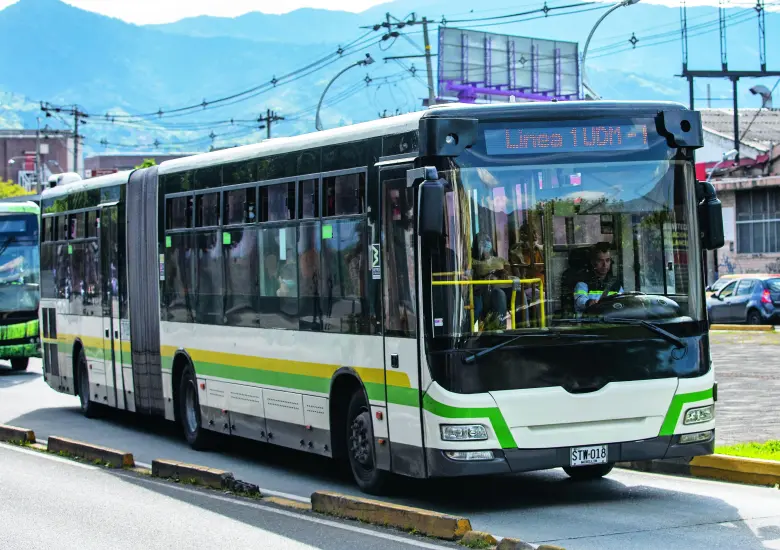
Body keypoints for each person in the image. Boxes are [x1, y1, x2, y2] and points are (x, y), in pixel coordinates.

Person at [573, 242, 623, 313]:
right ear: (593, 262)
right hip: (589, 322)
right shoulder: (583, 283)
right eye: (600, 261)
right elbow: (580, 301)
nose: (604, 265)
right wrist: (589, 303)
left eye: (607, 260)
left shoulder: (616, 284)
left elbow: (622, 304)